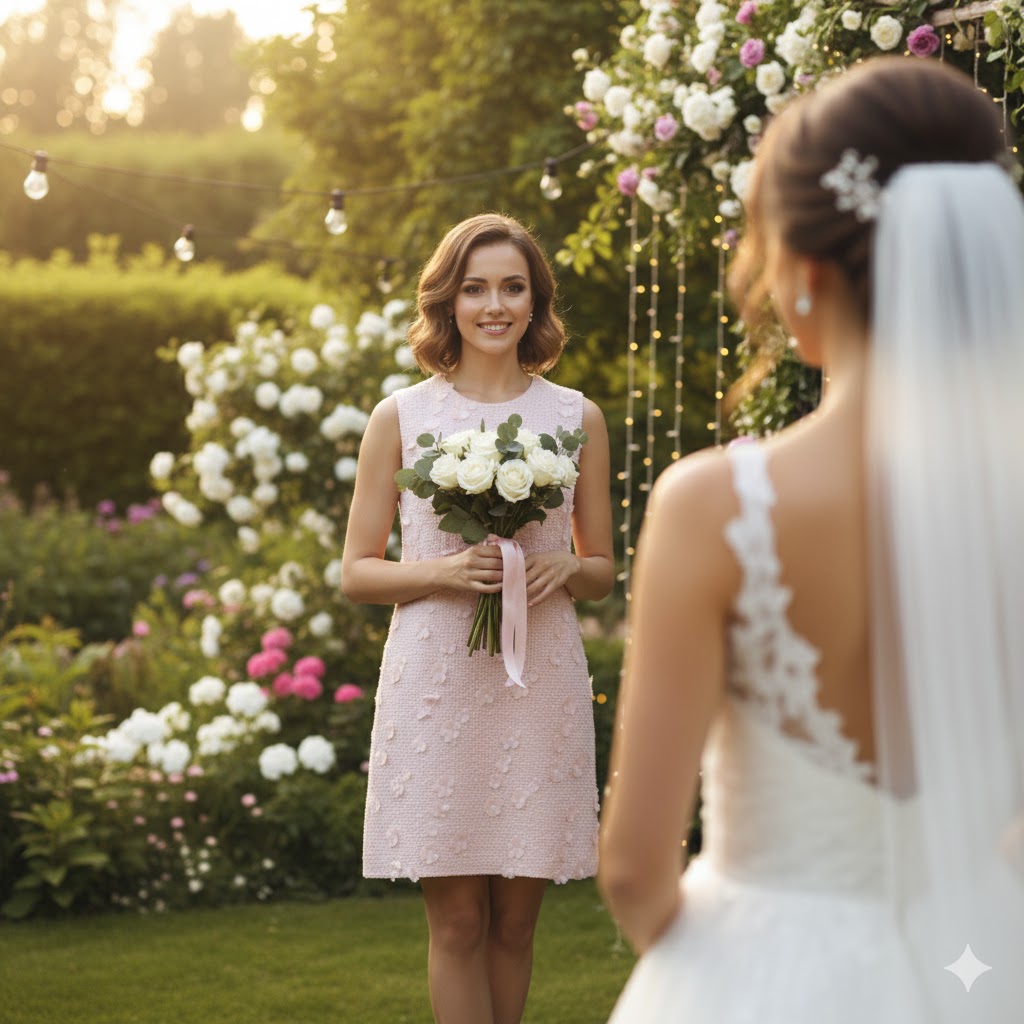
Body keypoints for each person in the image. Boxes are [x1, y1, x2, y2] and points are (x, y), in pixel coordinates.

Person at [599, 56, 1024, 1023]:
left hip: (756, 978)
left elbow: (634, 870)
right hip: (979, 967)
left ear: (803, 269)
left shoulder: (717, 506)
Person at [341, 212, 614, 1024]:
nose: (494, 305)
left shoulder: (577, 418)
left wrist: (569, 565)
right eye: (476, 288)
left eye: (512, 287)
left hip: (540, 683)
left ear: (535, 302)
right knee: (458, 921)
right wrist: (447, 569)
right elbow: (358, 571)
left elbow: (602, 571)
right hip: (437, 683)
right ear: (449, 302)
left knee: (518, 923)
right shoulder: (400, 417)